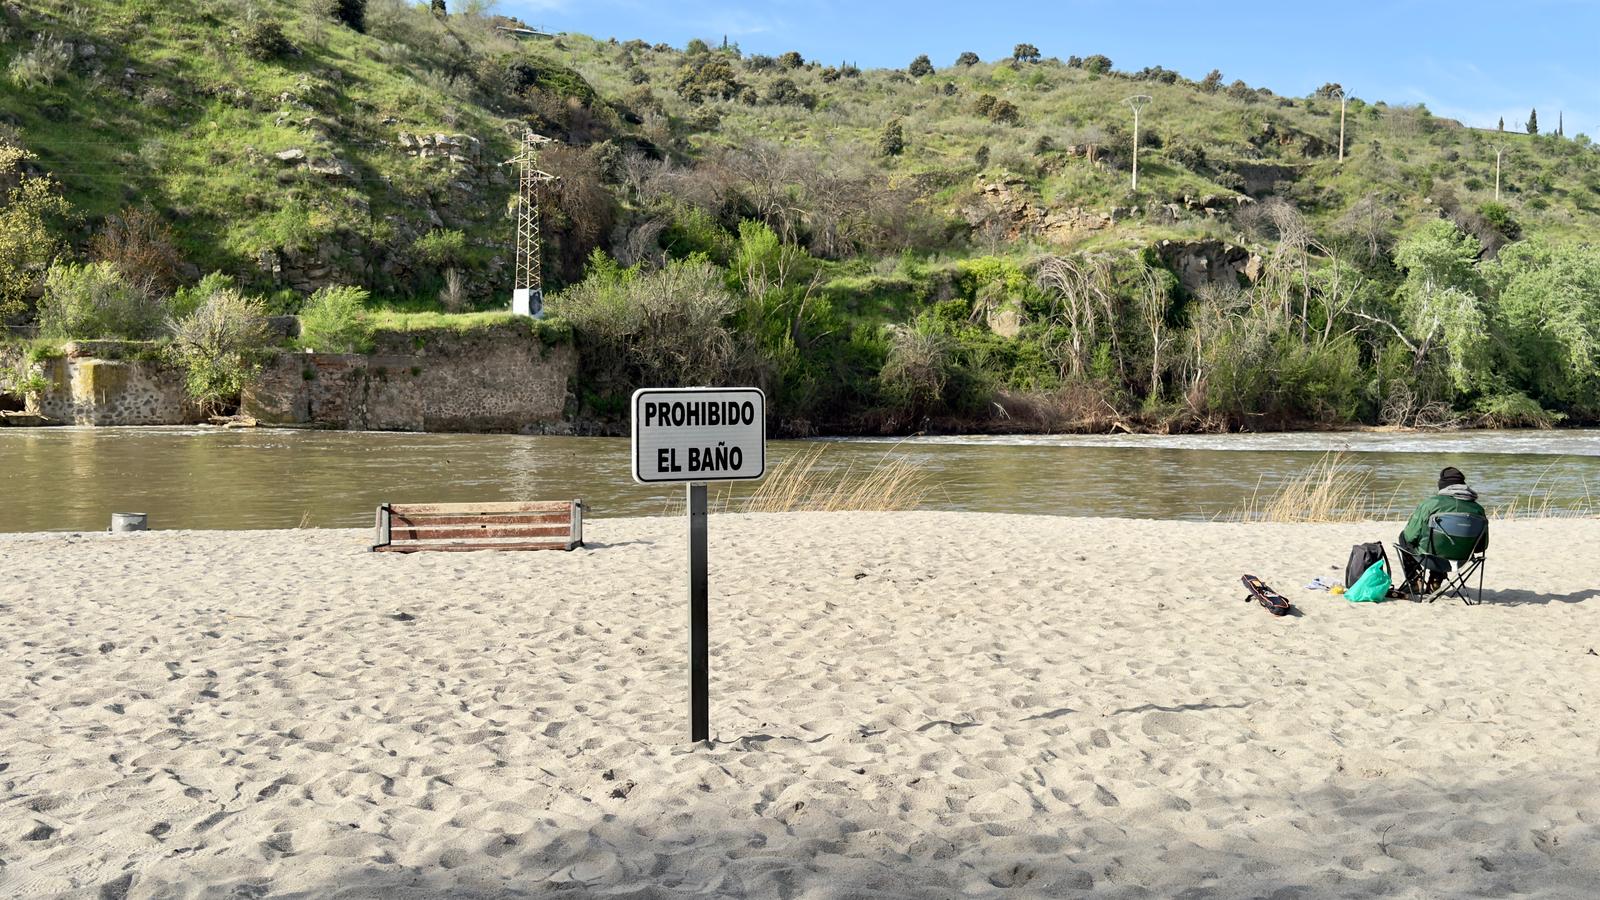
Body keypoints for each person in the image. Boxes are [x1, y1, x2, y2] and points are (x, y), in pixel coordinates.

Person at [1397, 466, 1488, 591]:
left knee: (1404, 537)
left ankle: (1415, 580)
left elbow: (1410, 535)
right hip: (1462, 559)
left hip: (1430, 558)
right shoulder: (1478, 509)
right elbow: (1481, 546)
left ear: (1442, 485)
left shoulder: (1430, 504)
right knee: (1442, 543)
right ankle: (1436, 579)